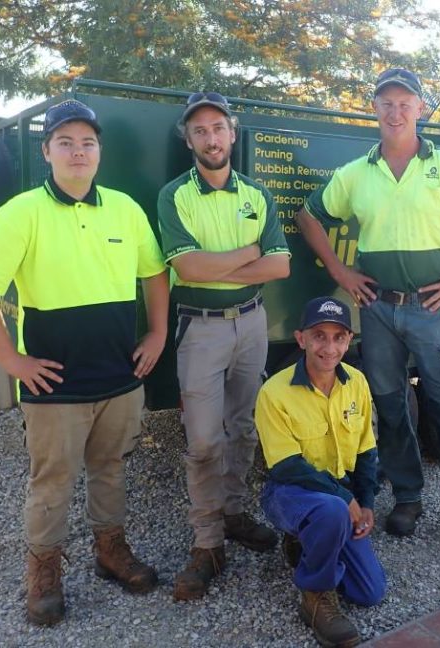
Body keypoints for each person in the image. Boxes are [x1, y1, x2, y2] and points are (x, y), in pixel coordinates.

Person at [295, 68, 440, 559]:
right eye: (386, 103)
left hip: (431, 311)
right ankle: (408, 499)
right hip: (378, 311)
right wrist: (340, 270)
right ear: (373, 109)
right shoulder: (357, 173)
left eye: (405, 103)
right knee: (392, 410)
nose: (395, 111)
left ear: (421, 109)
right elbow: (308, 216)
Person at [0, 99, 169, 626]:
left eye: (88, 142)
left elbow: (155, 276)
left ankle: (110, 552)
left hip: (121, 376)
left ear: (100, 151)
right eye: (67, 142)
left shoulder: (125, 208)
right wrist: (13, 361)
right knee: (51, 483)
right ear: (47, 150)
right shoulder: (21, 212)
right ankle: (44, 572)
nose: (79, 152)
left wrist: (159, 332)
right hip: (54, 385)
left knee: (111, 470)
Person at [157, 91, 291, 601]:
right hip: (201, 327)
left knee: (244, 428)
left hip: (252, 323)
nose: (210, 138)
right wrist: (248, 252)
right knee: (203, 441)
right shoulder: (174, 195)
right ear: (188, 140)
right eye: (199, 131)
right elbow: (186, 269)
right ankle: (207, 541)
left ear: (232, 133)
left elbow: (281, 266)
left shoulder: (257, 194)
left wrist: (220, 263)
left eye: (217, 128)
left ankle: (234, 514)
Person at [256, 296, 385, 648]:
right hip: (289, 493)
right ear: (301, 339)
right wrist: (345, 499)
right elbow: (286, 465)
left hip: (338, 494)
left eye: (338, 337)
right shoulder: (274, 392)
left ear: (349, 340)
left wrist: (367, 501)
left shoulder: (356, 381)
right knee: (330, 510)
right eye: (319, 336)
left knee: (370, 592)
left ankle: (312, 542)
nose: (329, 347)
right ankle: (315, 596)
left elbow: (366, 448)